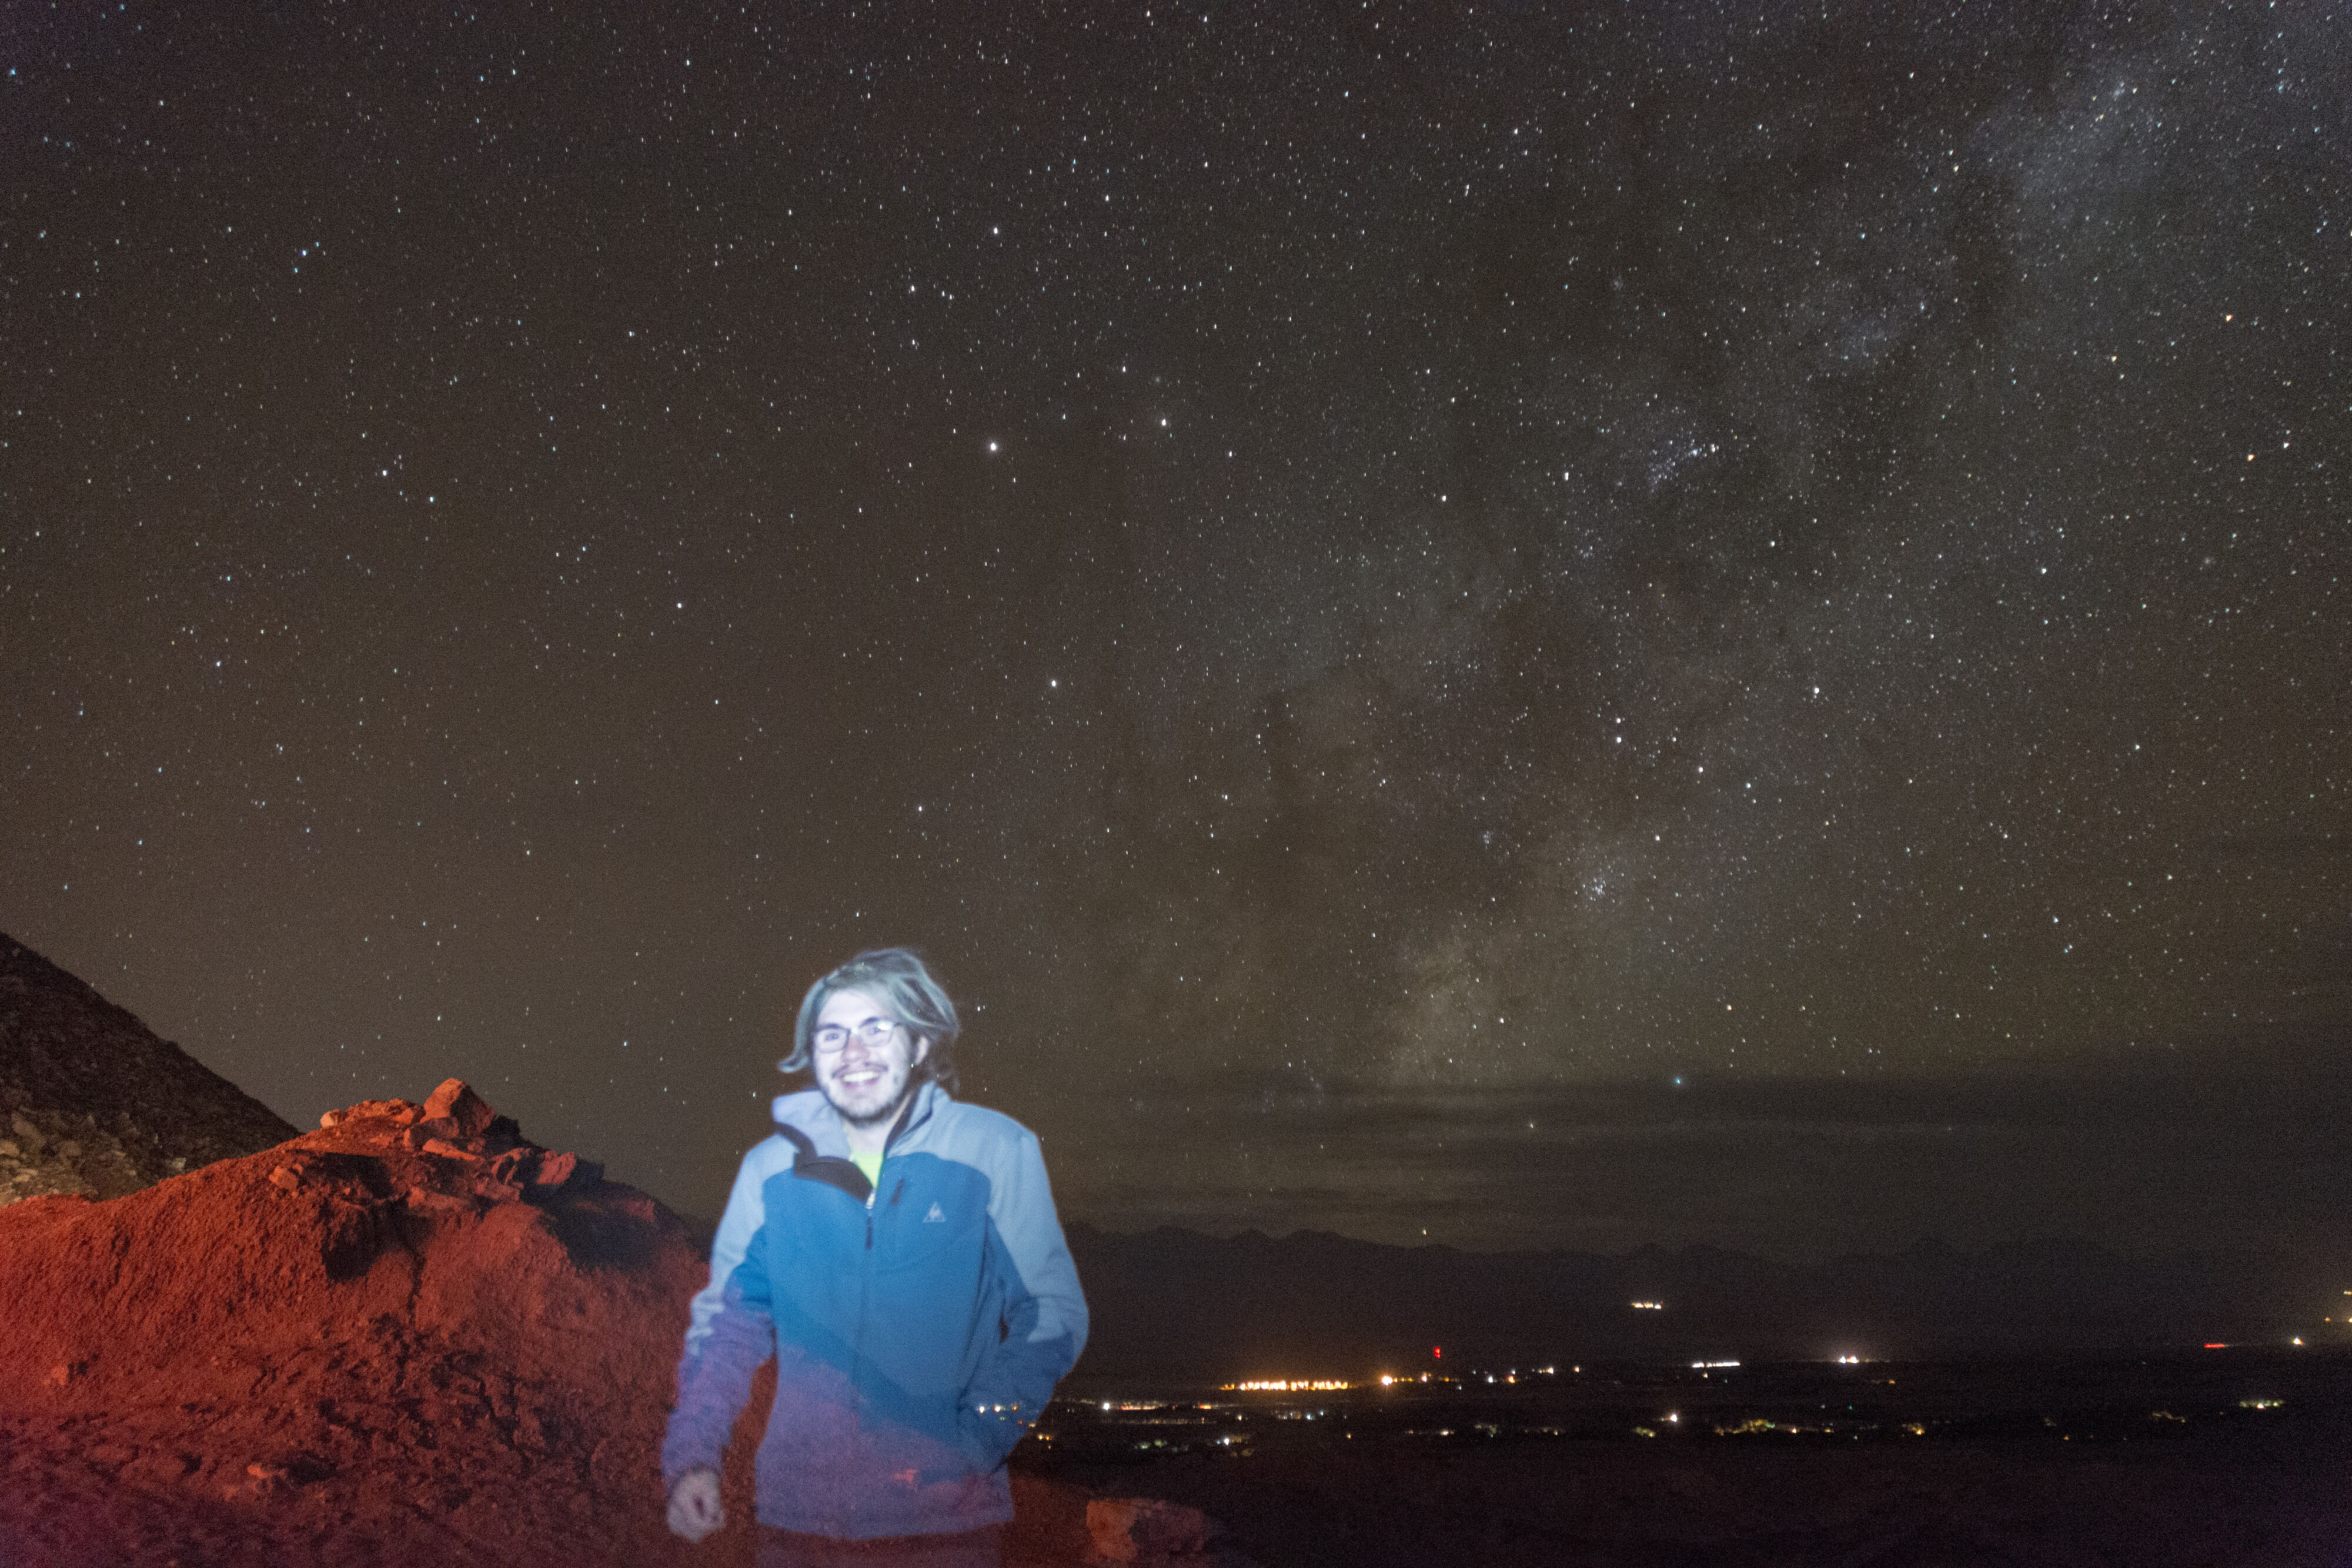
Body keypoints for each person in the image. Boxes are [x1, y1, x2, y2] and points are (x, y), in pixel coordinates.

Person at [662, 948, 1088, 1566]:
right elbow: (730, 1324)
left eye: (875, 1028)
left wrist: (973, 1442)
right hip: (796, 1527)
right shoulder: (769, 1171)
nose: (852, 1051)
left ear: (919, 1044)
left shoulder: (993, 1151)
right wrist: (695, 1457)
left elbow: (1050, 1314)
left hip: (943, 1530)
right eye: (832, 1034)